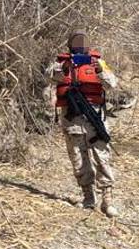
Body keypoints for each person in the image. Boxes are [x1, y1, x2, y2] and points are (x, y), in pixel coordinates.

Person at [50, 31, 119, 217]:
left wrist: (99, 70)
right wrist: (64, 69)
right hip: (72, 119)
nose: (80, 46)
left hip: (95, 116)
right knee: (79, 160)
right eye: (76, 43)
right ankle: (89, 198)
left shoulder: (99, 62)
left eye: (83, 43)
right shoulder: (60, 62)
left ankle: (107, 200)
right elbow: (51, 76)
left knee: (102, 157)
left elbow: (112, 83)